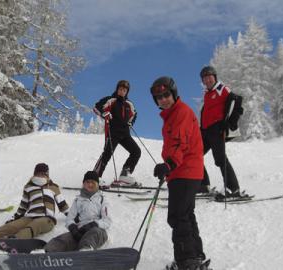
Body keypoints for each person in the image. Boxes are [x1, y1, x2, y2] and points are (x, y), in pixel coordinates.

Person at [150, 76, 208, 270]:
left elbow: (179, 143)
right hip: (184, 172)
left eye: (166, 94)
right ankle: (195, 256)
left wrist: (169, 164)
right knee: (186, 214)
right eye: (159, 97)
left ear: (174, 94)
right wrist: (169, 166)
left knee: (178, 216)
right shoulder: (171, 116)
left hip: (184, 171)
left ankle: (187, 261)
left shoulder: (180, 112)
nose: (163, 99)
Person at [0, 163, 69, 239]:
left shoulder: (53, 187)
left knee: (34, 226)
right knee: (12, 226)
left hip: (46, 219)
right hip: (29, 217)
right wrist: (14, 219)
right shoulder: (29, 187)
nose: (41, 176)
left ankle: (16, 239)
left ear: (47, 175)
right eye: (39, 174)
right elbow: (23, 207)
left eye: (43, 174)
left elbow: (63, 205)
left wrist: (74, 217)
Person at [199, 66, 246, 199]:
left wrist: (231, 122)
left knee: (220, 159)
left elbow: (237, 102)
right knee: (195, 154)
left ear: (215, 77)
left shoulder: (221, 89)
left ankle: (233, 189)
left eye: (209, 77)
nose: (207, 80)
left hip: (217, 129)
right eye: (204, 78)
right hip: (206, 130)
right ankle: (203, 185)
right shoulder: (207, 94)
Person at [44, 171, 110, 252]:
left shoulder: (102, 200)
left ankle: (85, 251)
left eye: (93, 182)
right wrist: (73, 229)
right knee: (63, 239)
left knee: (93, 234)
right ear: (83, 184)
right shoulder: (78, 200)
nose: (90, 184)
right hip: (80, 232)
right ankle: (45, 253)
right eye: (87, 182)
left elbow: (107, 221)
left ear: (97, 184)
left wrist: (94, 224)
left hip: (98, 231)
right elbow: (69, 219)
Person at [93, 80, 141, 186]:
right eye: (120, 89)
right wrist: (104, 113)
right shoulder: (110, 100)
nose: (122, 91)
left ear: (127, 92)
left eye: (124, 90)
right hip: (112, 133)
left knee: (136, 151)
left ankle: (124, 175)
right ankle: (95, 177)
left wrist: (130, 122)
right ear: (117, 89)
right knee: (106, 155)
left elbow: (135, 114)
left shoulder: (129, 104)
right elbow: (96, 107)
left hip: (125, 134)